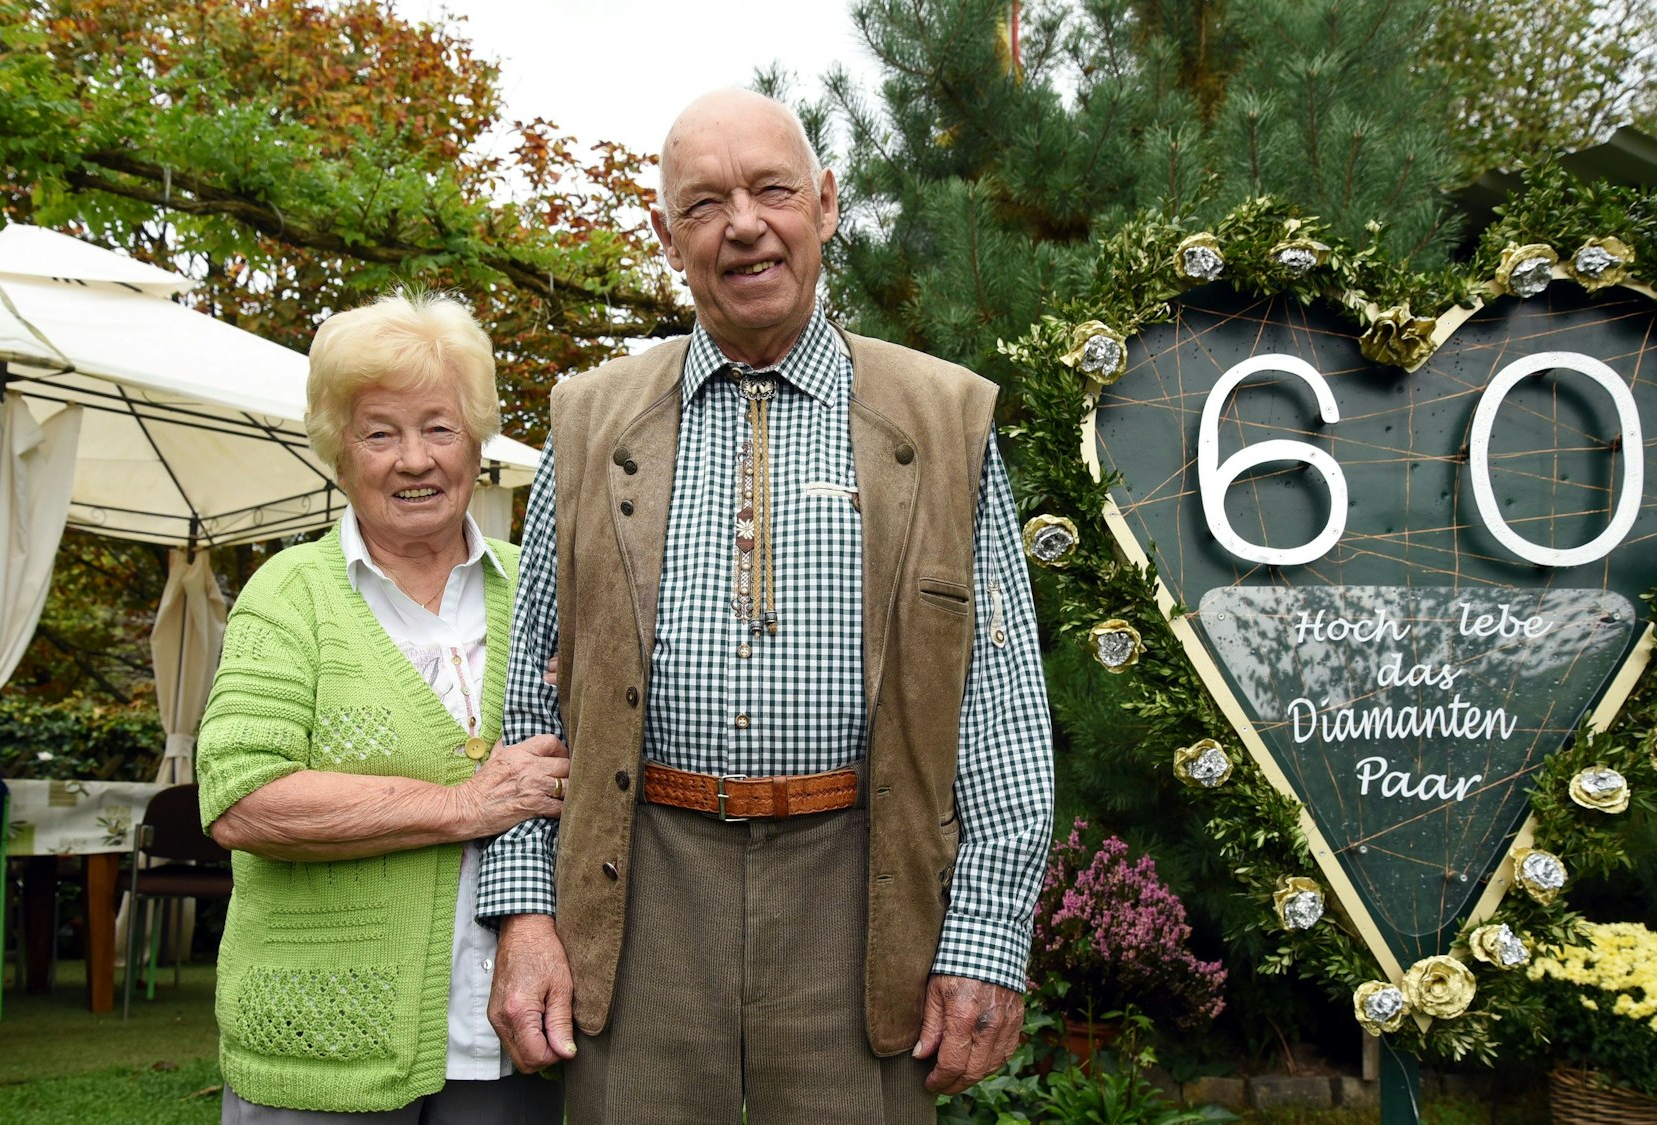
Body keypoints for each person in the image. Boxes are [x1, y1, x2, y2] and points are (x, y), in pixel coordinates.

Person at [478, 89, 1056, 1123]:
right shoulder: (588, 416)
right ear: (666, 236)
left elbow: (999, 704)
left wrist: (984, 940)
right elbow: (531, 701)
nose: (742, 222)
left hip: (864, 893)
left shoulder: (943, 417)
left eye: (771, 190)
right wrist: (525, 916)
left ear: (825, 206)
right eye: (703, 204)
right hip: (638, 888)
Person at [196, 293, 568, 1123]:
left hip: (509, 1037)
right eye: (380, 432)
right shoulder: (289, 595)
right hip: (324, 1041)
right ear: (339, 450)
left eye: (439, 428)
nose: (414, 460)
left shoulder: (540, 589)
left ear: (475, 443)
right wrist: (463, 804)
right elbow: (241, 798)